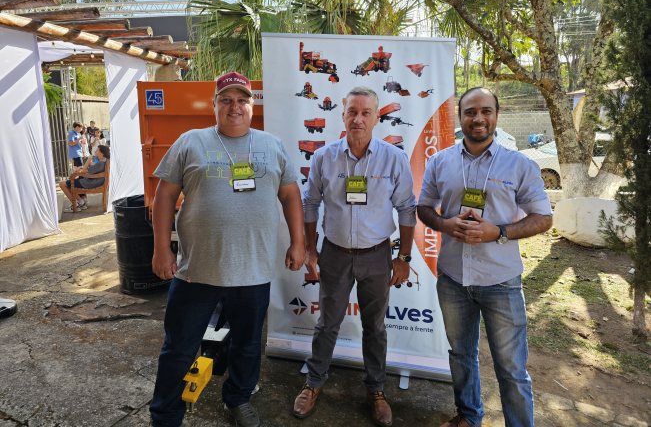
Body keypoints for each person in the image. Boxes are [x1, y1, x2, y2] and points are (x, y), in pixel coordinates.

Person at [149, 72, 306, 427]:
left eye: (242, 100)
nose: (235, 106)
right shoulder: (191, 141)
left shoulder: (272, 145)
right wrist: (161, 248)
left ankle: (237, 398)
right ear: (214, 104)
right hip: (196, 271)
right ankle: (165, 416)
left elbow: (290, 195)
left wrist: (299, 242)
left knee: (247, 346)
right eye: (226, 99)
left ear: (252, 105)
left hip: (253, 272)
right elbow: (165, 195)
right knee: (179, 348)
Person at [416, 87, 553, 427]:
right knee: (461, 355)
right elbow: (424, 207)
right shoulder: (440, 161)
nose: (478, 118)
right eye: (470, 112)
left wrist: (500, 232)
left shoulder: (519, 164)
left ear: (496, 115)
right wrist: (444, 224)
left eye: (486, 111)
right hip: (453, 279)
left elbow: (543, 218)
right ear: (460, 117)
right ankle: (468, 415)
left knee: (511, 368)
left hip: (501, 281)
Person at [295, 86, 416, 427]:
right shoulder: (324, 157)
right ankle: (313, 383)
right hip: (334, 255)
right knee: (327, 324)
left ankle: (376, 390)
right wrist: (311, 247)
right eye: (352, 111)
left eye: (365, 113)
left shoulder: (393, 158)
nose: (358, 119)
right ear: (343, 115)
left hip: (377, 256)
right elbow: (310, 203)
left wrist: (404, 258)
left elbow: (407, 209)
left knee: (374, 327)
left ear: (376, 118)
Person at [59, 145, 110, 212]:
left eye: (96, 151)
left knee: (62, 184)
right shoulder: (104, 161)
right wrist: (81, 167)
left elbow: (84, 171)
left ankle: (76, 205)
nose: (94, 151)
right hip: (94, 182)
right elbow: (89, 170)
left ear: (101, 154)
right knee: (71, 182)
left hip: (90, 183)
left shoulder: (100, 164)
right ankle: (81, 202)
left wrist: (88, 159)